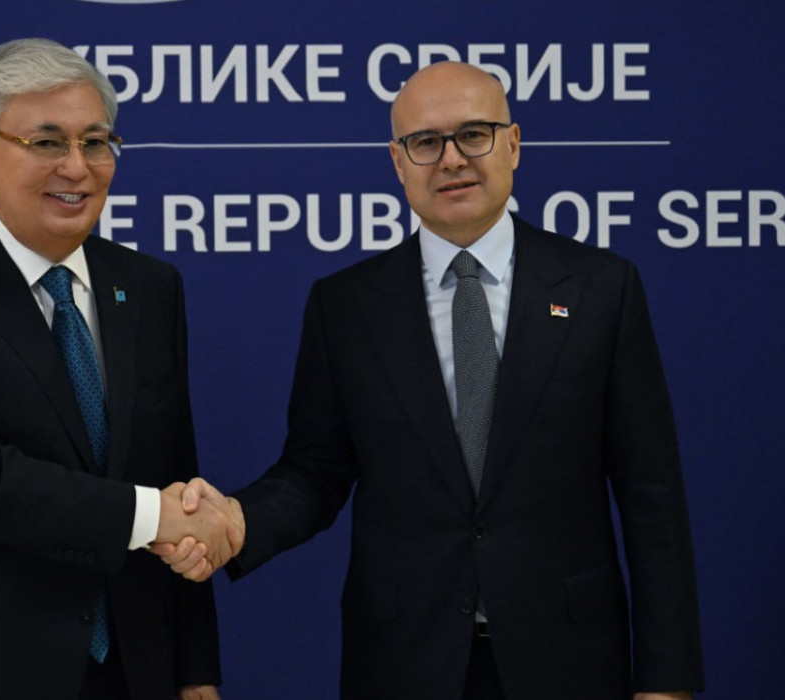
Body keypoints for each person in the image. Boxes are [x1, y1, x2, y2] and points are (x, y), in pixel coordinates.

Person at [156, 61, 704, 700]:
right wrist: (239, 521)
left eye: (474, 134)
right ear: (398, 161)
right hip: (404, 660)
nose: (451, 159)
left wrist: (666, 681)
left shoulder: (601, 289)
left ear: (513, 144)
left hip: (569, 658)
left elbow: (651, 496)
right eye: (425, 142)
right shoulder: (346, 306)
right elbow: (315, 471)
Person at [0, 38, 239, 700]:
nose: (77, 167)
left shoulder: (150, 287)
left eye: (96, 142)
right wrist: (156, 515)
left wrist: (194, 668)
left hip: (132, 668)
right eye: (48, 142)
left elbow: (174, 469)